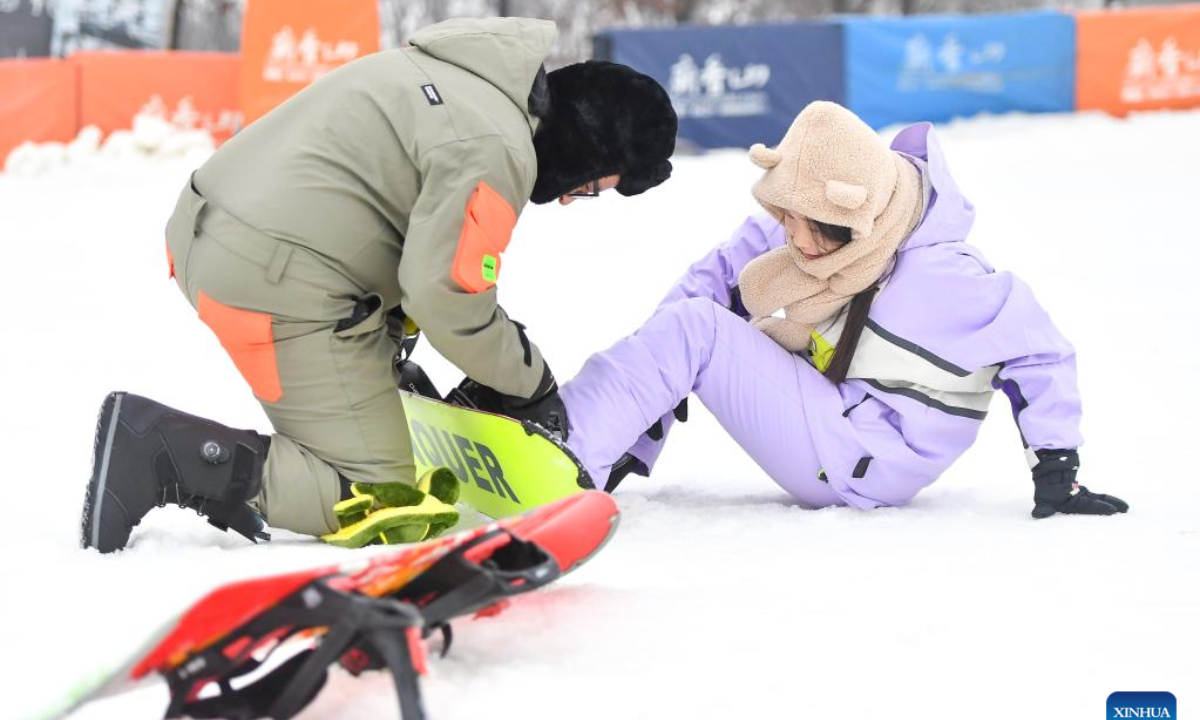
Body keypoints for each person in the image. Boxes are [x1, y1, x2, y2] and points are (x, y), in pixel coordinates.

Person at [80, 17, 678, 553]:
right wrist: (529, 383)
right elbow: (447, 296)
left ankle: (360, 386)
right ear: (588, 147)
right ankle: (161, 452)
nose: (572, 198)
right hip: (267, 273)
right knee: (382, 497)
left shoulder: (459, 76)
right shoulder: (494, 146)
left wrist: (394, 337)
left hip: (214, 229)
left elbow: (390, 218)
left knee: (389, 369)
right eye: (593, 186)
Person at [554, 101, 1127, 520]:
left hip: (868, 454)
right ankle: (573, 438)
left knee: (696, 330)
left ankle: (563, 458)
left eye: (813, 228)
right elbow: (713, 283)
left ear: (860, 214)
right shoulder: (811, 213)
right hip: (828, 407)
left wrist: (1058, 469)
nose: (798, 242)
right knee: (692, 321)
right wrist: (636, 420)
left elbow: (1039, 350)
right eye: (787, 220)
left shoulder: (945, 276)